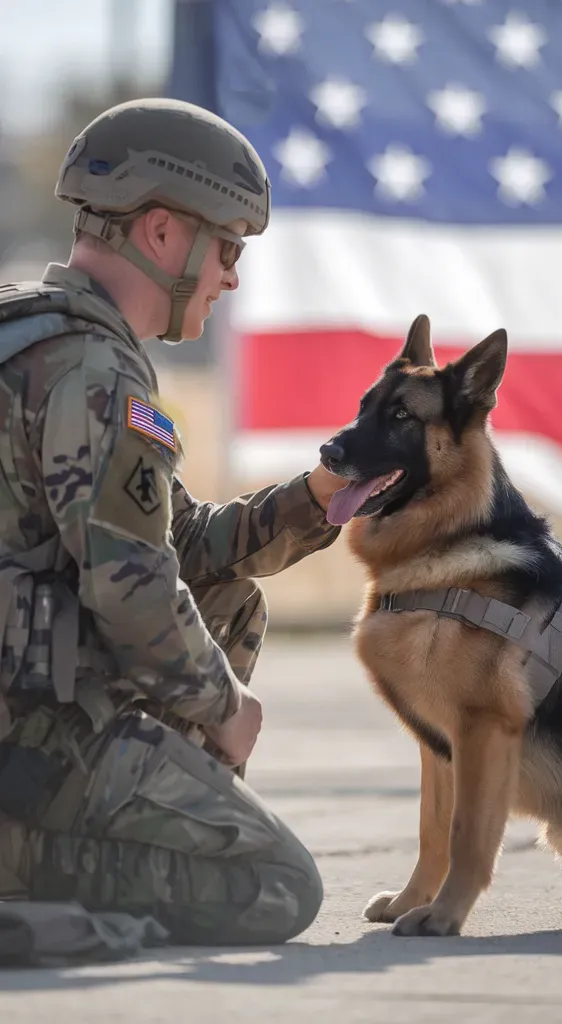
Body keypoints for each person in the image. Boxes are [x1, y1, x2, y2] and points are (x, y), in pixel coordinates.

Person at [0, 98, 347, 947]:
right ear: (161, 233)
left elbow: (179, 545)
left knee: (227, 597)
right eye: (228, 246)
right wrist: (224, 706)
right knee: (273, 886)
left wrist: (323, 497)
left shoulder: (42, 339)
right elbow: (133, 587)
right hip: (26, 737)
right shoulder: (93, 370)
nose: (233, 275)